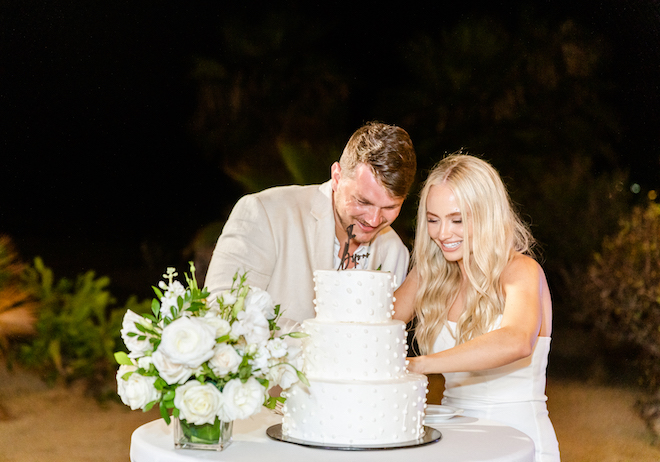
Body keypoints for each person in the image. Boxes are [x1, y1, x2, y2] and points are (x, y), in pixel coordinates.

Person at [394, 153, 560, 462]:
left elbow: (517, 340)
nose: (443, 233)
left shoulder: (521, 271)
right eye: (433, 219)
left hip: (519, 440)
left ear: (487, 215)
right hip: (451, 442)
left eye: (457, 219)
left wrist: (419, 365)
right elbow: (376, 328)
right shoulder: (428, 275)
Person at [205, 121, 417, 323]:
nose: (374, 219)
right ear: (337, 177)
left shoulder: (395, 251)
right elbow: (223, 310)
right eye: (362, 201)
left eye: (390, 207)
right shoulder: (265, 212)